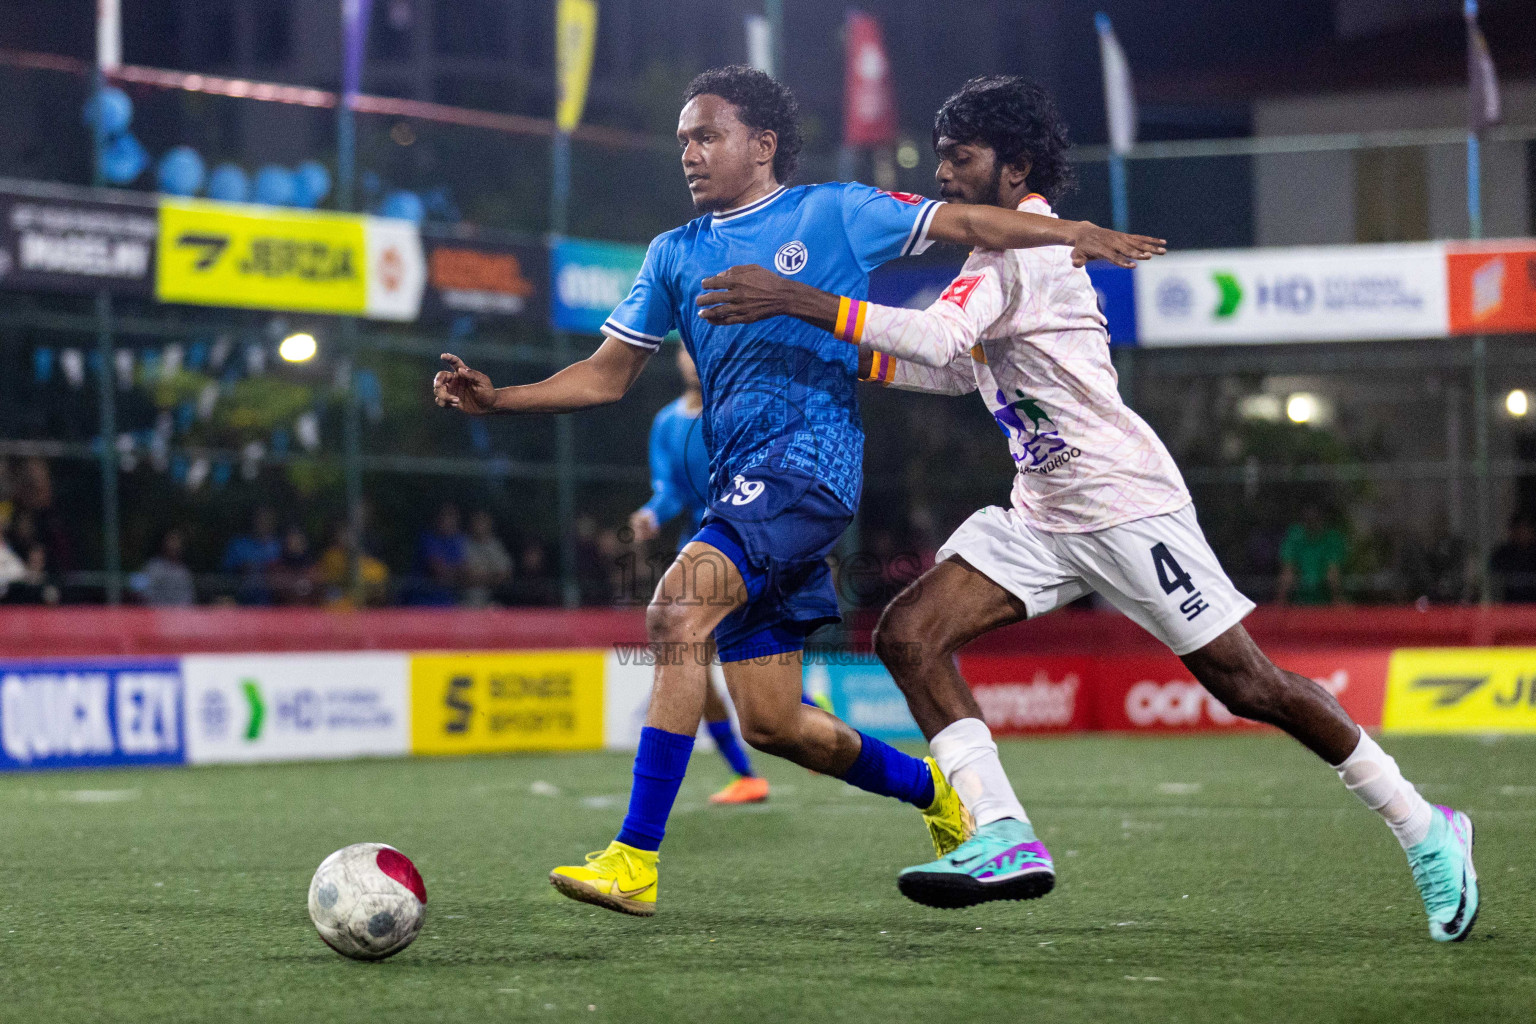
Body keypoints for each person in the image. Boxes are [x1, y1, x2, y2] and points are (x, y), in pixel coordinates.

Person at [696, 75, 1478, 942]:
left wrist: (805, 302)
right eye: (943, 158)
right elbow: (961, 368)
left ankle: (1423, 824)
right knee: (909, 635)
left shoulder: (1020, 251)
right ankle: (1002, 832)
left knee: (1248, 684)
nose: (945, 176)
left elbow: (942, 340)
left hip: (1121, 502)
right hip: (1043, 512)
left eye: (962, 159)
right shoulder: (1001, 256)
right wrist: (845, 355)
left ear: (1015, 165)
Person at [433, 64, 1163, 918]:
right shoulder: (672, 254)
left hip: (806, 467)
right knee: (773, 722)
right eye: (682, 142)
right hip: (739, 489)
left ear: (763, 144)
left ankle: (633, 857)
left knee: (674, 611)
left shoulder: (835, 212)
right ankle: (938, 794)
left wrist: (1072, 230)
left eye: (707, 136)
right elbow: (604, 377)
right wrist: (501, 399)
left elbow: (964, 219)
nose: (690, 155)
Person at [631, 345, 769, 806]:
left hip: (751, 539)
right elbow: (668, 489)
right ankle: (746, 774)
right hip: (700, 544)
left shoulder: (739, 408)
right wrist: (652, 514)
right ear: (678, 361)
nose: (693, 359)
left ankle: (806, 714)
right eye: (685, 351)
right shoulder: (666, 424)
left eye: (698, 349)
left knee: (753, 657)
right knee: (692, 654)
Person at [1277, 504, 1348, 606]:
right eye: (1308, 514)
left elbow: (1333, 573)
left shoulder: (1332, 538)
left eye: (1315, 515)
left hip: (1325, 601)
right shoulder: (1294, 536)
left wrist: (1337, 600)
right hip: (1298, 601)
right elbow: (1288, 572)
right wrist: (1280, 601)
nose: (1312, 517)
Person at [316, 521, 391, 607]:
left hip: (366, 612)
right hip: (335, 608)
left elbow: (380, 592)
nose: (347, 538)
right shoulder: (331, 557)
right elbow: (320, 580)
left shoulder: (375, 568)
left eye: (351, 534)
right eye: (343, 533)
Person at [221, 506, 282, 605]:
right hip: (242, 601)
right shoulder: (238, 545)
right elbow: (225, 574)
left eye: (268, 519)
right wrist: (242, 568)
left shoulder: (279, 546)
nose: (264, 523)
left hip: (273, 604)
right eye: (261, 519)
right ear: (254, 521)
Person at [410, 503, 468, 606]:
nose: (450, 520)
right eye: (446, 515)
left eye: (453, 516)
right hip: (422, 602)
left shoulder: (457, 541)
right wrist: (458, 574)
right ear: (437, 518)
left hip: (449, 602)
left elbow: (466, 571)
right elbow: (438, 570)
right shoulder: (428, 539)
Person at [129, 528, 196, 606]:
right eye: (171, 541)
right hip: (154, 613)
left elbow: (188, 598)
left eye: (177, 542)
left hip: (178, 615)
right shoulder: (152, 567)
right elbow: (137, 587)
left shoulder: (184, 571)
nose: (174, 545)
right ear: (164, 543)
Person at [461, 510, 514, 607]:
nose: (480, 525)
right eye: (477, 521)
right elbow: (464, 576)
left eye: (483, 521)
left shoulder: (496, 546)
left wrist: (481, 579)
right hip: (465, 601)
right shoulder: (463, 544)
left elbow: (505, 574)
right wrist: (491, 577)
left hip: (492, 601)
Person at [1488, 512, 1536, 602]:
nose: (1522, 534)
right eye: (1519, 530)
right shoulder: (1502, 554)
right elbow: (1493, 580)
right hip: (1509, 608)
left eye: (1525, 530)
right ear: (1512, 531)